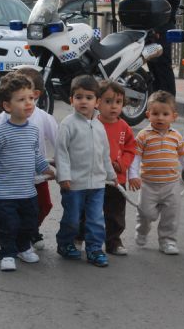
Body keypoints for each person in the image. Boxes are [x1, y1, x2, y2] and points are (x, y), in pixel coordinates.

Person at [0, 74, 55, 272]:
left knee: (29, 223)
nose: (28, 103)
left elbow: (36, 154)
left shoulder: (32, 130)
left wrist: (47, 170)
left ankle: (23, 247)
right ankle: (7, 253)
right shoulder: (1, 132)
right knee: (8, 225)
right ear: (7, 106)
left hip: (28, 191)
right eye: (21, 100)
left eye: (31, 98)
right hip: (5, 193)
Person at [128, 91, 184, 255]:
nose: (160, 118)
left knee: (171, 216)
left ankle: (168, 241)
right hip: (148, 184)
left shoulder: (176, 137)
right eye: (155, 113)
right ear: (148, 115)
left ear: (174, 116)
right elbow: (135, 158)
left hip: (171, 184)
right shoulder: (143, 136)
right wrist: (133, 175)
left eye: (165, 114)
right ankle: (142, 230)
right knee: (146, 213)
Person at [55, 75, 118, 268]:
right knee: (72, 218)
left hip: (97, 184)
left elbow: (105, 153)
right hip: (73, 183)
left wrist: (111, 175)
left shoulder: (99, 126)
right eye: (79, 97)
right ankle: (65, 243)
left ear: (97, 102)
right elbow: (61, 153)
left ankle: (94, 249)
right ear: (71, 99)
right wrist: (63, 176)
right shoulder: (67, 124)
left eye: (89, 97)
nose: (84, 101)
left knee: (96, 219)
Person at [0, 67, 57, 251]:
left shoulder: (44, 118)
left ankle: (29, 230)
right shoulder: (2, 119)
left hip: (37, 178)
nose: (26, 101)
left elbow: (59, 143)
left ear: (35, 94)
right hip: (12, 179)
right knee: (11, 212)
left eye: (28, 96)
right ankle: (12, 240)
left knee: (43, 206)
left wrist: (59, 169)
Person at [96, 80, 137, 256]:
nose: (113, 106)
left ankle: (113, 241)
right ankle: (81, 237)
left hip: (116, 180)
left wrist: (121, 165)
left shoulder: (124, 127)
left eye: (118, 102)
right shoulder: (91, 123)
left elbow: (130, 149)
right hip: (93, 178)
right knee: (87, 211)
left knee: (115, 213)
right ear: (97, 102)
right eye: (108, 101)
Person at [144, 0, 181, 96]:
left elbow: (161, 7)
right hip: (152, 29)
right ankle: (156, 99)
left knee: (163, 65)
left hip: (164, 28)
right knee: (153, 65)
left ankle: (168, 100)